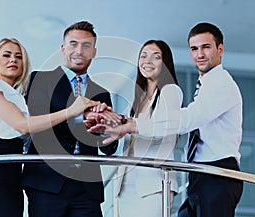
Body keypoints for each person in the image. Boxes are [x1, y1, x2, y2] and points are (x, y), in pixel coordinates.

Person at [89, 22, 244, 217]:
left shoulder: (220, 84)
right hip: (199, 174)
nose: (200, 54)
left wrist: (130, 125)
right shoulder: (202, 86)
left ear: (220, 49)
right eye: (194, 49)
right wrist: (114, 124)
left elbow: (185, 120)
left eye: (206, 47)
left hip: (216, 172)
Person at [0, 38, 99, 217]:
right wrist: (71, 111)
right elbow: (23, 126)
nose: (13, 60)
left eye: (18, 57)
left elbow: (37, 130)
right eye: (6, 55)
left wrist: (86, 119)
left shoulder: (19, 97)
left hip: (14, 175)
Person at [22, 21, 119, 217]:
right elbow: (37, 126)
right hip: (47, 184)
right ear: (63, 48)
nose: (79, 51)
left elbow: (107, 148)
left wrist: (108, 127)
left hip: (87, 188)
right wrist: (79, 114)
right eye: (73, 44)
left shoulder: (102, 94)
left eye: (86, 46)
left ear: (94, 52)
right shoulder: (39, 80)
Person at [87, 39, 182, 216]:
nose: (147, 61)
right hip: (126, 184)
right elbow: (130, 131)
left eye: (156, 57)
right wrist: (109, 123)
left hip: (153, 185)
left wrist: (129, 126)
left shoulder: (170, 91)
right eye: (143, 56)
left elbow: (164, 127)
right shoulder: (138, 99)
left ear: (166, 63)